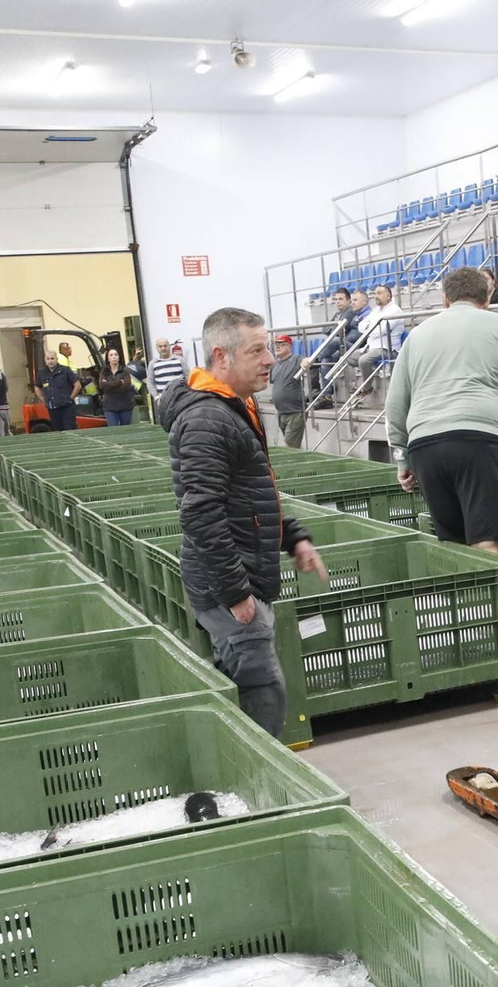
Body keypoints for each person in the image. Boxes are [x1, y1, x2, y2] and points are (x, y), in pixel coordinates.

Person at [160, 307, 328, 738]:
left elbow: (252, 491)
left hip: (242, 571)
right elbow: (201, 512)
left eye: (268, 347)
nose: (270, 358)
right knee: (260, 689)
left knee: (256, 684)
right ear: (222, 356)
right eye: (257, 350)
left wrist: (294, 537)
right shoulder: (206, 419)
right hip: (230, 584)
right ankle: (262, 785)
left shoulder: (235, 406)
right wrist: (236, 593)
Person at [388, 267, 498, 552]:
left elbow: (395, 403)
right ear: (488, 299)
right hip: (480, 438)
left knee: (455, 549)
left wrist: (402, 458)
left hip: (425, 445)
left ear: (445, 299)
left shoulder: (416, 336)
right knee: (488, 539)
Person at [309, 289, 370, 408]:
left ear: (364, 302)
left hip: (357, 348)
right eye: (335, 299)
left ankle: (314, 360)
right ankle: (326, 396)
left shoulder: (361, 314)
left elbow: (344, 333)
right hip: (346, 346)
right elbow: (327, 330)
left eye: (354, 300)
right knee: (326, 360)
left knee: (334, 341)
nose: (353, 303)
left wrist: (336, 331)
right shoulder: (350, 314)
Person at [269, 333, 307, 447]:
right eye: (276, 344)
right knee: (292, 446)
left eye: (281, 344)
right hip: (281, 412)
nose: (277, 347)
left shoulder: (295, 359)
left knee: (290, 446)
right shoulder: (275, 365)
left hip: (295, 411)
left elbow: (305, 361)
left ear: (288, 346)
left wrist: (306, 362)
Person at [356, 284, 406, 367]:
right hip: (371, 347)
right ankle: (353, 380)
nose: (376, 296)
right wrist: (371, 328)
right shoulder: (376, 310)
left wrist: (369, 327)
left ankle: (368, 380)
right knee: (346, 359)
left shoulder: (395, 310)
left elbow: (379, 331)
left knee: (363, 360)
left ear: (388, 296)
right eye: (375, 294)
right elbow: (360, 326)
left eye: (379, 293)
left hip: (387, 349)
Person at [36, 351, 79, 432]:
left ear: (56, 359)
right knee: (57, 432)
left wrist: (71, 398)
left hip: (67, 407)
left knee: (70, 430)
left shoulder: (66, 371)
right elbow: (37, 387)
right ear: (45, 360)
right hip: (53, 408)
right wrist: (43, 400)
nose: (50, 361)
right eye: (48, 359)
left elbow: (77, 385)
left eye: (52, 358)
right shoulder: (42, 374)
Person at [95, 345, 137, 427]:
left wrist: (109, 385)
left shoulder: (125, 371)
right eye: (111, 355)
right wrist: (118, 382)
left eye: (116, 355)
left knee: (126, 429)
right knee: (113, 429)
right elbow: (102, 385)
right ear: (108, 358)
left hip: (125, 406)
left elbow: (126, 387)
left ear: (119, 357)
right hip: (110, 407)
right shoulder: (104, 372)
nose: (114, 357)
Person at [147, 338, 185, 418]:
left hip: (180, 400)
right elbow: (150, 383)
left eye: (165, 346)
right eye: (160, 346)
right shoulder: (153, 364)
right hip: (164, 402)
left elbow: (188, 377)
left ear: (169, 346)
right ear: (157, 348)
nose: (163, 348)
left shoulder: (179, 360)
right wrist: (157, 398)